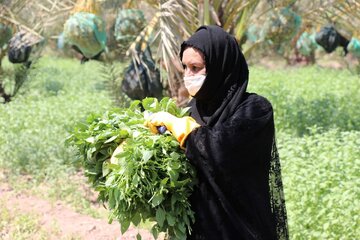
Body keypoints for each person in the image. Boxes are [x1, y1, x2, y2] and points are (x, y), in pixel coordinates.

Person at [146, 25, 288, 240]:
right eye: (185, 67)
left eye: (196, 67)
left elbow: (220, 150)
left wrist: (184, 131)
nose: (188, 75)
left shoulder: (255, 110)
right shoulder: (190, 112)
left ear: (220, 66)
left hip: (241, 229)